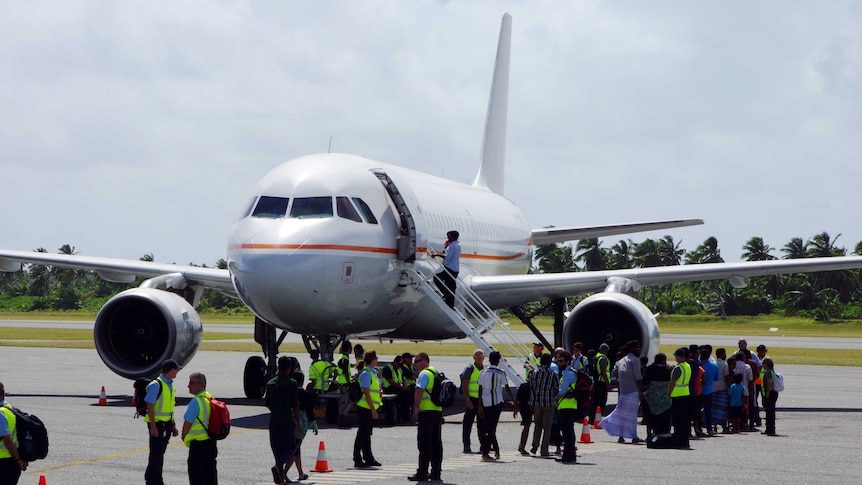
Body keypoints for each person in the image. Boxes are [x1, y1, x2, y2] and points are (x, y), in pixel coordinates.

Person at [265, 356, 302, 485]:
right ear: (290, 367)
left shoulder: (271, 383)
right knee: (291, 447)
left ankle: (280, 477)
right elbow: (295, 405)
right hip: (286, 419)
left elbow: (267, 403)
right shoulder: (292, 383)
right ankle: (278, 467)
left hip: (274, 419)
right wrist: (297, 422)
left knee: (277, 449)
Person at [145, 359, 180, 485]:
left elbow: (170, 407)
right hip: (157, 424)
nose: (177, 372)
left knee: (160, 453)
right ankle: (153, 480)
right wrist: (153, 426)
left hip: (167, 424)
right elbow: (150, 405)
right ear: (171, 370)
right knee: (156, 454)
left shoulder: (171, 385)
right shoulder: (156, 385)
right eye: (176, 369)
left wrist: (173, 425)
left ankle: (155, 478)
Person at [477, 351, 517, 462]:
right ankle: (487, 452)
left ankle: (496, 451)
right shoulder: (501, 372)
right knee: (491, 428)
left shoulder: (483, 372)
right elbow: (507, 388)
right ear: (498, 361)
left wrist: (479, 405)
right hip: (497, 402)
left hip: (485, 403)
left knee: (489, 428)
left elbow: (480, 389)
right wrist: (514, 401)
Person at [601, 340, 644, 443]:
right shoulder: (635, 360)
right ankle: (634, 436)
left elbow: (614, 373)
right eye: (637, 347)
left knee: (622, 414)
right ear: (632, 349)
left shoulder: (621, 361)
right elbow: (638, 378)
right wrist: (641, 393)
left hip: (623, 392)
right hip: (633, 391)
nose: (639, 349)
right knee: (632, 415)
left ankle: (621, 436)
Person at [409, 352, 443, 482]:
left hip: (426, 411)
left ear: (424, 361)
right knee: (436, 443)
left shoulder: (424, 374)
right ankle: (436, 472)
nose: (415, 364)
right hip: (437, 411)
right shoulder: (435, 372)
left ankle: (422, 472)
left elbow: (419, 391)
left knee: (424, 443)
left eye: (416, 361)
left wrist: (416, 407)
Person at [181, 372, 217, 485]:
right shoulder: (210, 398)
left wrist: (184, 435)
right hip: (211, 442)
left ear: (200, 386)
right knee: (210, 475)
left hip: (198, 444)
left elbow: (188, 422)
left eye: (192, 383)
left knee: (196, 476)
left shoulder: (196, 401)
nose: (188, 386)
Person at [286, 372, 318, 482]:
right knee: (294, 450)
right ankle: (283, 473)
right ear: (302, 382)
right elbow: (310, 412)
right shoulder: (305, 394)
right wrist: (314, 425)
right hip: (301, 425)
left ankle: (300, 473)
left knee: (296, 450)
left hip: (288, 423)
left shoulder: (288, 393)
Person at [354, 351, 382, 468]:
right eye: (376, 358)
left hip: (369, 407)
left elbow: (372, 389)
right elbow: (366, 392)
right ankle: (357, 458)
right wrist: (372, 409)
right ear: (372, 360)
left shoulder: (372, 372)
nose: (377, 360)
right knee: (362, 434)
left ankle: (368, 457)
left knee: (366, 434)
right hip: (365, 407)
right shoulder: (366, 373)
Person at [529, 353, 558, 456]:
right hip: (548, 403)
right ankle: (544, 449)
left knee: (537, 425)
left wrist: (531, 402)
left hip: (537, 403)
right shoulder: (552, 374)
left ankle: (535, 445)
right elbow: (556, 387)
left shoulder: (534, 373)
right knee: (547, 428)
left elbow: (531, 388)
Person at [0, 382, 27, 484]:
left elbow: (7, 439)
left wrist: (18, 459)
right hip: (9, 462)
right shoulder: (8, 408)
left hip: (4, 463)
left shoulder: (0, 413)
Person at [460, 349, 485, 454]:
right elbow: (464, 384)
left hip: (482, 401)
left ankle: (483, 445)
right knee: (467, 423)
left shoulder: (485, 369)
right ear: (474, 358)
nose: (479, 357)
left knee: (482, 424)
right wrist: (467, 399)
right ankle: (466, 446)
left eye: (481, 355)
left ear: (484, 358)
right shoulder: (470, 368)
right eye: (477, 356)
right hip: (472, 399)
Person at [554, 350, 578, 463]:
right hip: (570, 405)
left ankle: (568, 456)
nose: (559, 363)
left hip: (566, 405)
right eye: (558, 361)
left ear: (568, 361)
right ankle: (570, 454)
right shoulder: (571, 372)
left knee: (567, 432)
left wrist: (555, 399)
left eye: (561, 361)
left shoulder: (568, 374)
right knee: (569, 431)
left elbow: (562, 391)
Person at [642, 353, 672, 436]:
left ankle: (649, 434)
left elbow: (645, 381)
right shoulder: (668, 370)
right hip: (664, 397)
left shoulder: (649, 369)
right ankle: (665, 434)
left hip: (651, 396)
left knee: (650, 417)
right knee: (665, 417)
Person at [668, 348, 691, 449]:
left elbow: (673, 382)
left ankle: (679, 441)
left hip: (677, 395)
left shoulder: (678, 368)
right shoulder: (687, 366)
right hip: (686, 394)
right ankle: (685, 440)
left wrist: (669, 393)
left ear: (679, 356)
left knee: (677, 420)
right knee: (685, 420)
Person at [431, 230, 461, 308]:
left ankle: (446, 293)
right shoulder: (457, 245)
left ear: (453, 237)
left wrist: (437, 254)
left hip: (450, 268)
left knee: (437, 278)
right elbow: (447, 254)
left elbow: (447, 257)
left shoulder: (452, 246)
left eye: (449, 236)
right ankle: (450, 304)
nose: (448, 237)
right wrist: (440, 253)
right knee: (451, 286)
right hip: (455, 269)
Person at [382, 354, 412, 424]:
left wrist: (405, 387)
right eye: (398, 365)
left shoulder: (399, 369)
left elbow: (402, 380)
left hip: (397, 387)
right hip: (388, 388)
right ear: (395, 362)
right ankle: (399, 414)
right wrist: (402, 388)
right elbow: (390, 381)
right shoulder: (388, 368)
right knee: (402, 395)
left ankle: (404, 414)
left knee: (409, 395)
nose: (399, 366)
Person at [698, 346, 719, 436]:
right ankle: (709, 429)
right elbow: (716, 378)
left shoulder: (699, 366)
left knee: (698, 410)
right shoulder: (714, 365)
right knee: (708, 410)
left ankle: (698, 428)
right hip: (709, 390)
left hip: (699, 390)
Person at [590, 343, 612, 426]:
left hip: (597, 382)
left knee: (595, 401)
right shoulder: (603, 358)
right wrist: (608, 384)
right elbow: (603, 371)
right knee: (601, 402)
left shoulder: (596, 357)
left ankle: (593, 419)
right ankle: (596, 419)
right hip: (601, 383)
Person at [712, 348, 730, 434]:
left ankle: (714, 426)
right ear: (722, 354)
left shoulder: (713, 364)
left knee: (714, 408)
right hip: (722, 388)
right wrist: (729, 386)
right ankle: (724, 426)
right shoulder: (724, 364)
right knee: (723, 409)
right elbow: (726, 377)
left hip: (713, 388)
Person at [336, 341, 353, 427]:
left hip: (341, 383)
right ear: (349, 348)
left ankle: (342, 417)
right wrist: (349, 382)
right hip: (344, 384)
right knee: (347, 402)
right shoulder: (345, 359)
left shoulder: (341, 357)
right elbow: (346, 372)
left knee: (344, 402)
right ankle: (342, 417)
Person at [761, 358, 778, 436]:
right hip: (774, 393)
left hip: (770, 393)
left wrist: (767, 394)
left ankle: (769, 429)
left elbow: (768, 383)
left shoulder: (768, 373)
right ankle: (771, 428)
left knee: (769, 412)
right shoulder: (772, 372)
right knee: (771, 412)